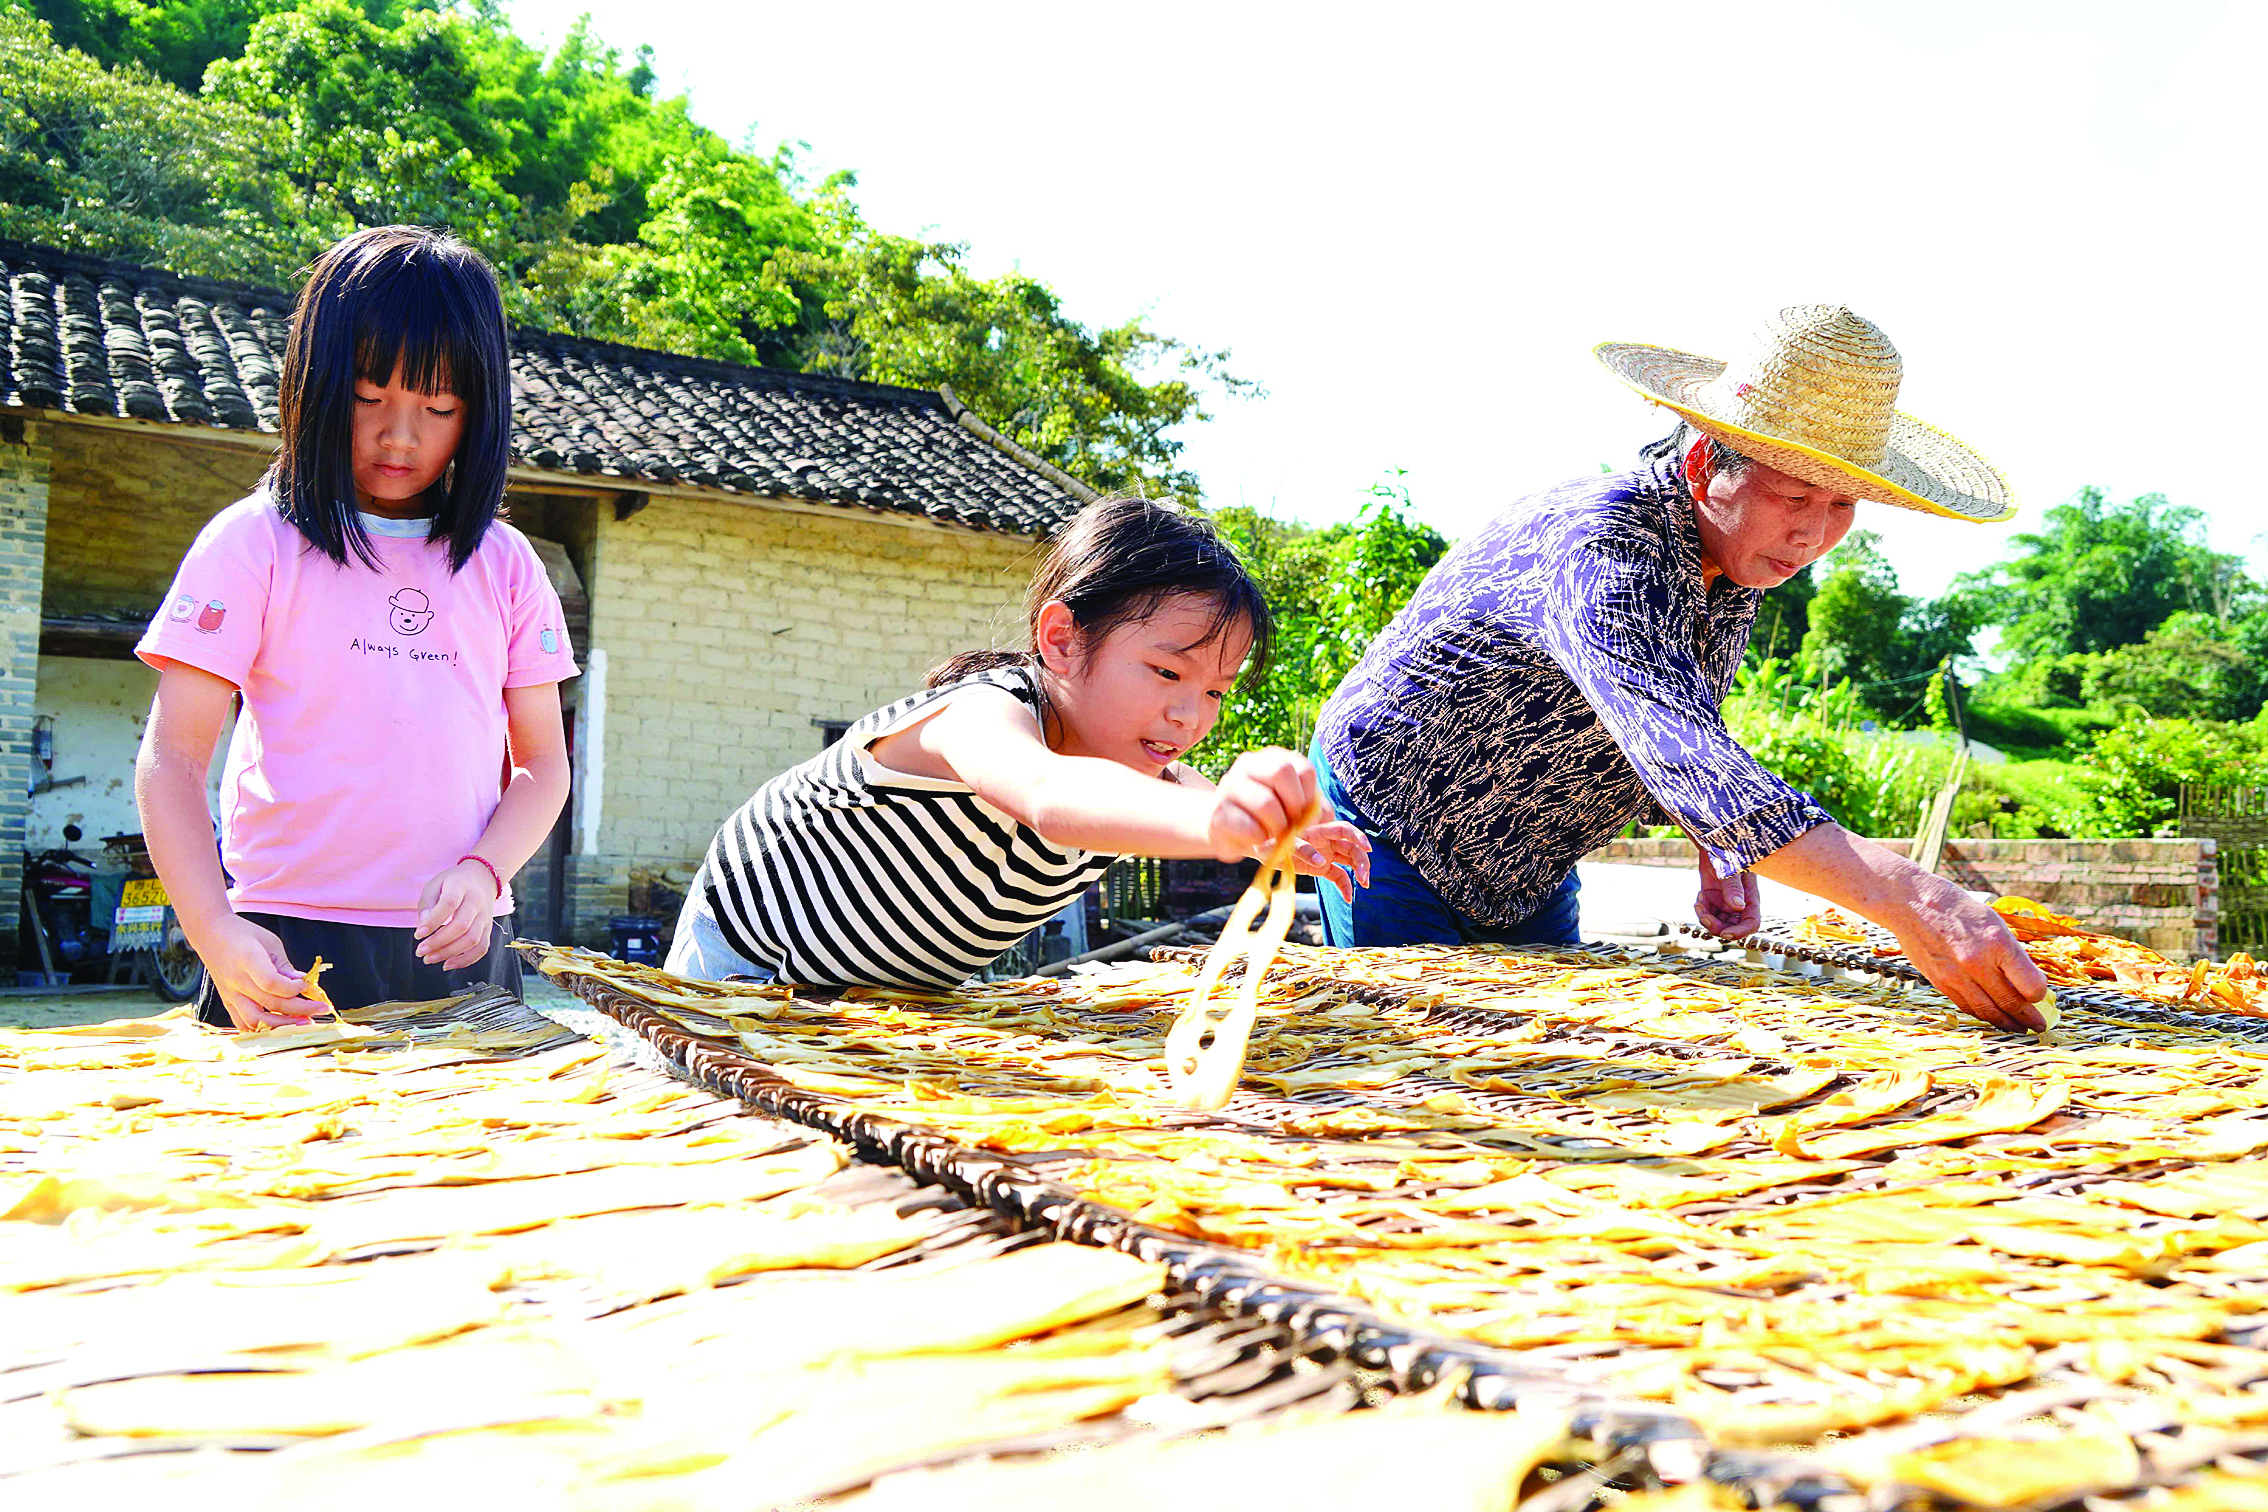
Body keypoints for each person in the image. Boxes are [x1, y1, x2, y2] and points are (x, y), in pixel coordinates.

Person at [1311, 305, 2053, 1031]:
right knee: (1422, 1054)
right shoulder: (1605, 544)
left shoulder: (1734, 565)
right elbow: (1674, 743)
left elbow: (1684, 715)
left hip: (1530, 859)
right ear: (1703, 464)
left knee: (1540, 1043)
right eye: (1795, 495)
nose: (1814, 533)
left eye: (1841, 504)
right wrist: (1917, 901)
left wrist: (1716, 841)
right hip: (1394, 821)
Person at [134, 225, 577, 1029]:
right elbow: (171, 762)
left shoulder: (508, 565)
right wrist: (216, 933)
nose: (399, 435)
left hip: (460, 943)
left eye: (437, 407)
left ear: (479, 413)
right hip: (280, 946)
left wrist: (484, 871)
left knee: (466, 1157)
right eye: (370, 398)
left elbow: (542, 767)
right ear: (314, 384)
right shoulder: (253, 542)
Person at [669, 496, 1371, 988]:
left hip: (884, 994)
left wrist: (1269, 833)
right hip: (743, 956)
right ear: (1061, 640)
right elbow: (1048, 794)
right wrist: (1221, 822)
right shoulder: (980, 715)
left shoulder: (1135, 771)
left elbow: (1194, 797)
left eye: (1216, 691)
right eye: (1166, 671)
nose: (1190, 715)